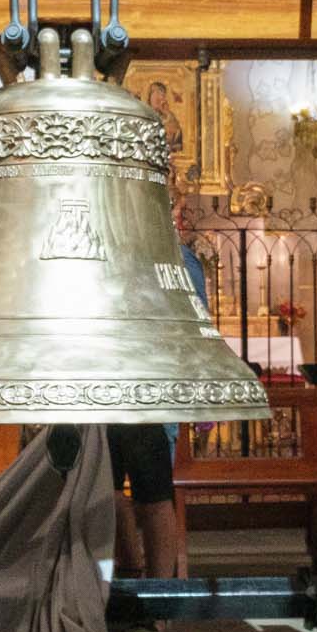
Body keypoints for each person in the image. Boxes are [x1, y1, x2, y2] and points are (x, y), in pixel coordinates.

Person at [109, 240, 212, 590]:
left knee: (153, 494)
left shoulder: (179, 257)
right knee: (103, 491)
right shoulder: (105, 250)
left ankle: (160, 597)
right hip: (104, 383)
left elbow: (196, 323)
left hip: (154, 387)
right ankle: (131, 572)